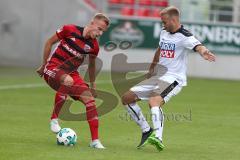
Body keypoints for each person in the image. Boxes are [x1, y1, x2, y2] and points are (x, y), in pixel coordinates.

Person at [121, 6, 216, 151]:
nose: (162, 24)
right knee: (127, 98)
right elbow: (160, 49)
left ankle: (158, 137)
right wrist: (152, 67)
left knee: (154, 101)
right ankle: (147, 131)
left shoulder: (185, 36)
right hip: (159, 75)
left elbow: (198, 45)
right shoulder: (164, 32)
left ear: (173, 19)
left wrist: (204, 52)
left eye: (164, 21)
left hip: (174, 78)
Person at [36, 13, 110, 149]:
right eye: (99, 29)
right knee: (68, 80)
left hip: (72, 74)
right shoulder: (69, 29)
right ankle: (54, 119)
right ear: (92, 23)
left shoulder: (93, 46)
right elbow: (49, 42)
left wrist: (93, 84)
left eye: (102, 31)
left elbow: (92, 65)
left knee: (90, 100)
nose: (100, 33)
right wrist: (43, 64)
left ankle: (95, 141)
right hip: (53, 67)